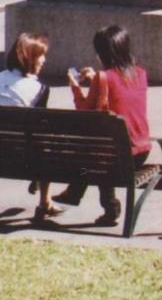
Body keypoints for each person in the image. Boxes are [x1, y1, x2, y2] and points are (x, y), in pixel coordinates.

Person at [58, 25, 152, 226]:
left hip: (117, 157)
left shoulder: (103, 78)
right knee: (104, 150)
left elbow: (85, 112)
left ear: (101, 53)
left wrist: (75, 86)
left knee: (98, 151)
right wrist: (97, 80)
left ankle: (94, 200)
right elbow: (120, 90)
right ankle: (76, 193)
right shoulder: (140, 73)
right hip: (142, 150)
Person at [0, 32, 56, 224]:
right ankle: (45, 201)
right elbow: (41, 125)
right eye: (41, 55)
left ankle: (46, 199)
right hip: (25, 155)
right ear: (30, 58)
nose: (44, 60)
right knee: (47, 142)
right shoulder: (39, 89)